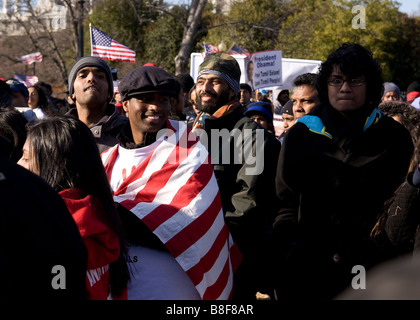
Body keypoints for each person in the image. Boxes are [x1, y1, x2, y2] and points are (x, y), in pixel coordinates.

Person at [273, 43, 414, 300]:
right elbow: (285, 202)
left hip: (375, 269)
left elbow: (401, 209)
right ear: (326, 85)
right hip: (310, 268)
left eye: (354, 80)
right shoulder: (301, 135)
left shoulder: (394, 136)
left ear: (370, 85)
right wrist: (286, 257)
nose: (345, 87)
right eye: (336, 79)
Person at [101, 65, 241, 300]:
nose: (155, 107)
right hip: (122, 288)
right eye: (145, 99)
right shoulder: (107, 159)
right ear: (125, 105)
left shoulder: (189, 149)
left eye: (163, 99)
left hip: (175, 289)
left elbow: (188, 223)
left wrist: (114, 215)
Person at [194, 52, 281, 299]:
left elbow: (247, 203)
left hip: (232, 257)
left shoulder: (253, 137)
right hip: (195, 255)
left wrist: (211, 240)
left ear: (233, 90)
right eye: (201, 82)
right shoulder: (196, 132)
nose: (205, 88)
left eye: (215, 81)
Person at [17, 116, 130, 300]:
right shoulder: (102, 214)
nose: (18, 164)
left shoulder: (46, 230)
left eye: (26, 157)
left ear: (53, 165)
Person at [0, 136, 87, 300]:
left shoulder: (37, 196)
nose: (19, 163)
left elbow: (61, 271)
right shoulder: (42, 194)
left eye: (26, 158)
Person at [67, 56, 127, 153]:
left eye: (100, 76)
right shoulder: (57, 134)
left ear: (109, 92)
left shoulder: (129, 132)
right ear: (72, 92)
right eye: (83, 76)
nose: (91, 79)